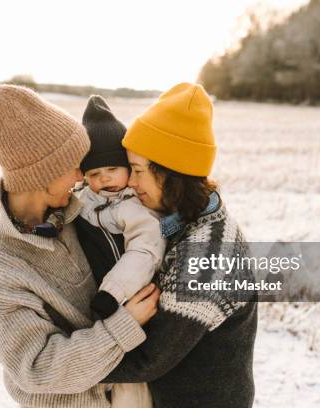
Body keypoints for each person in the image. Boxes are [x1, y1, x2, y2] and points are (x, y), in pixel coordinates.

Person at [0, 84, 159, 408]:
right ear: (43, 172)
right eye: (73, 164)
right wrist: (123, 326)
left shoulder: (75, 214)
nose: (80, 174)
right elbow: (38, 368)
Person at [99, 82, 258, 408]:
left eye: (139, 171)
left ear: (170, 174)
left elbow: (152, 359)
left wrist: (70, 365)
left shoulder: (208, 255)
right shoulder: (191, 219)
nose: (130, 182)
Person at [74, 95, 166, 408]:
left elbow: (144, 251)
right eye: (94, 174)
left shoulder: (133, 208)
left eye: (113, 168)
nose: (105, 179)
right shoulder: (84, 199)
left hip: (127, 303)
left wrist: (112, 293)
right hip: (99, 316)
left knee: (132, 391)